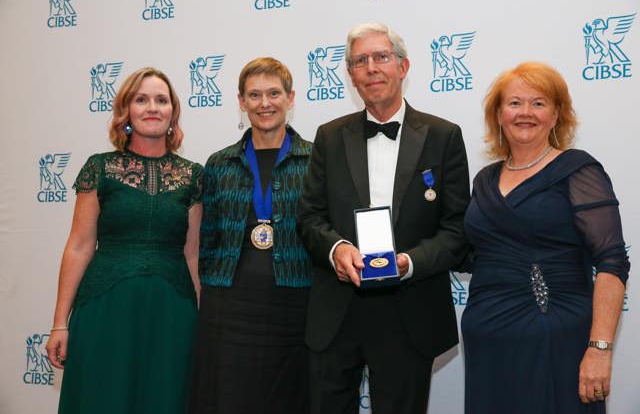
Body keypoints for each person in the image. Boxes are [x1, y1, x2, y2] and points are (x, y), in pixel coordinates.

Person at [297, 23, 470, 414]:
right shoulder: (328, 136)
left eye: (381, 57)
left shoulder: (444, 136)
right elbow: (309, 217)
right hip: (338, 311)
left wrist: (409, 263)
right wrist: (337, 249)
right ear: (351, 75)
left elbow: (457, 229)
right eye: (360, 61)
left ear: (403, 66)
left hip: (409, 310)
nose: (371, 68)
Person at [461, 62, 630, 413]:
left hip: (556, 337)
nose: (526, 113)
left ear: (556, 115)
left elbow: (612, 261)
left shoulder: (578, 170)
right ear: (498, 114)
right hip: (487, 340)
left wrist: (599, 349)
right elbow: (471, 253)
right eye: (515, 103)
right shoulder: (484, 180)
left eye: (538, 103)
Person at [45, 67, 203, 413]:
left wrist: (202, 319)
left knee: (165, 399)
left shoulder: (194, 175)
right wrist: (60, 323)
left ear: (173, 112)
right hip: (105, 307)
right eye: (141, 99)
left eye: (162, 100)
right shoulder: (99, 168)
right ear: (126, 111)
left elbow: (192, 255)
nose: (152, 107)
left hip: (172, 311)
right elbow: (79, 246)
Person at [190, 57, 313, 414]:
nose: (265, 103)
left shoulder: (316, 158)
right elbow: (207, 236)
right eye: (254, 95)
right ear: (241, 102)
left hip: (295, 300)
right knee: (228, 397)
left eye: (274, 93)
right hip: (228, 304)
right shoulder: (219, 163)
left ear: (290, 98)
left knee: (289, 398)